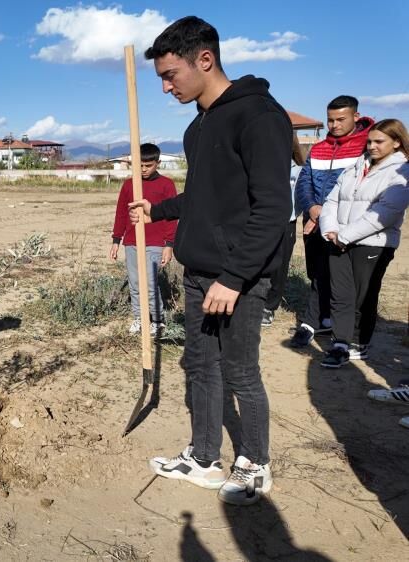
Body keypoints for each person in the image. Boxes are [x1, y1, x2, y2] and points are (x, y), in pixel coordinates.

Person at [130, 16, 292, 506]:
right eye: (159, 77)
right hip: (199, 274)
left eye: (170, 74)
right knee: (201, 368)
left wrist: (236, 276)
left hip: (237, 280)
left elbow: (272, 208)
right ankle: (204, 459)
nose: (164, 86)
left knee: (241, 372)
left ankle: (256, 464)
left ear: (205, 60)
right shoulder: (197, 129)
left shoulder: (259, 116)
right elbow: (202, 198)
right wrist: (156, 209)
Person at [318, 119, 409, 367]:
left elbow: (385, 213)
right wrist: (330, 229)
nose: (372, 146)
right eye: (369, 141)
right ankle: (340, 343)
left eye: (379, 141)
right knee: (340, 295)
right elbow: (332, 200)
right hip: (338, 240)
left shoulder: (401, 172)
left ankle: (360, 342)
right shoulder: (357, 166)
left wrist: (345, 235)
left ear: (397, 142)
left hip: (372, 244)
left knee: (363, 295)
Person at [290, 96, 374, 347]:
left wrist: (326, 215)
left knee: (345, 280)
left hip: (345, 225)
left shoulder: (365, 148)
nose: (334, 125)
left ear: (356, 118)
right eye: (330, 120)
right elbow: (304, 182)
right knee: (316, 273)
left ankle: (343, 329)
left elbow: (359, 189)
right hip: (313, 221)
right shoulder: (318, 148)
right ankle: (319, 320)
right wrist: (313, 208)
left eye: (341, 119)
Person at [109, 143, 177, 334]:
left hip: (155, 243)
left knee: (149, 283)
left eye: (149, 165)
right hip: (132, 242)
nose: (144, 169)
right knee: (135, 282)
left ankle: (157, 319)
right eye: (140, 165)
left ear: (158, 163)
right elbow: (121, 213)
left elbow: (172, 217)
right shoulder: (129, 184)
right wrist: (116, 240)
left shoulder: (167, 185)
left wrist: (169, 244)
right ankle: (140, 318)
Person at [262, 133, 307, 326]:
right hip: (262, 222)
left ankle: (269, 306)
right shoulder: (263, 167)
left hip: (286, 224)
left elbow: (303, 196)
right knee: (260, 263)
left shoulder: (299, 170)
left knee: (279, 267)